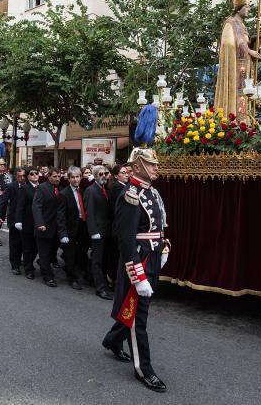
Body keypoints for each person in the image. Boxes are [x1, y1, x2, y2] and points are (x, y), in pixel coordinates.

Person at [102, 148, 169, 393]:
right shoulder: (130, 195)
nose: (156, 168)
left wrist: (164, 246)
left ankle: (112, 340)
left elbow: (159, 226)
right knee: (138, 318)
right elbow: (126, 240)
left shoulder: (153, 192)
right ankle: (145, 369)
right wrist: (137, 275)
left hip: (151, 256)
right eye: (151, 164)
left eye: (156, 164)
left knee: (137, 308)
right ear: (138, 166)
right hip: (138, 260)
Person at [212, 0, 260, 120]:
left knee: (244, 96)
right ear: (239, 8)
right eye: (246, 7)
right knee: (237, 97)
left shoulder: (243, 25)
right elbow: (228, 45)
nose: (248, 10)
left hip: (244, 70)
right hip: (234, 69)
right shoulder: (230, 23)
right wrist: (249, 51)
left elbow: (243, 42)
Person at [31, 167, 64, 287]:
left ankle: (43, 263)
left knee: (52, 252)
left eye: (59, 176)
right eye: (54, 176)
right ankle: (48, 276)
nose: (57, 178)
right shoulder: (42, 188)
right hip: (44, 227)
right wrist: (40, 223)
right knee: (44, 253)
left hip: (56, 228)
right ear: (49, 176)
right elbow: (36, 206)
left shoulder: (59, 189)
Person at [86, 165, 114, 300]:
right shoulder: (91, 191)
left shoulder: (106, 190)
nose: (104, 176)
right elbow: (89, 212)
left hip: (107, 231)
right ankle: (100, 288)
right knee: (97, 260)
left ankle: (101, 282)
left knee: (105, 259)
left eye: (105, 173)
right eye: (101, 174)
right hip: (97, 231)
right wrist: (93, 231)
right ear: (95, 176)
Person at [58, 166, 85, 290]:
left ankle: (79, 272)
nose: (75, 180)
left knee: (81, 252)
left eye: (77, 177)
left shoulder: (83, 191)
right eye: (73, 177)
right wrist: (63, 233)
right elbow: (61, 215)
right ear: (68, 179)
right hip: (70, 228)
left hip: (82, 226)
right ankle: (72, 278)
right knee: (70, 254)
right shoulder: (64, 194)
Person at [0, 168, 26, 274]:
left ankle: (20, 259)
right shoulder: (11, 187)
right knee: (15, 243)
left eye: (23, 176)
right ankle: (15, 265)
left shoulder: (29, 186)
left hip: (26, 219)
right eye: (19, 176)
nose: (22, 178)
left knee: (25, 242)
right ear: (15, 177)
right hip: (13, 218)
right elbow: (2, 202)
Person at [15, 167, 40, 279]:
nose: (35, 175)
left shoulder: (41, 187)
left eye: (36, 173)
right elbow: (19, 206)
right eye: (32, 174)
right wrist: (18, 221)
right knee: (27, 247)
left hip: (39, 222)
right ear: (28, 176)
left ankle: (29, 263)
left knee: (36, 247)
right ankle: (28, 268)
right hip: (27, 221)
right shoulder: (24, 188)